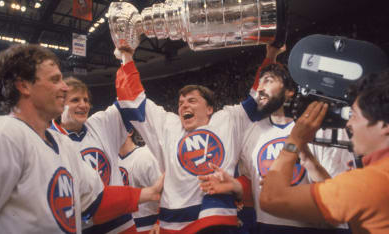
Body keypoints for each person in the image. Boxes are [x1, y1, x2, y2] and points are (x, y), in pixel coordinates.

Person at [0, 44, 162, 234]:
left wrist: (150, 192)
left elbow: (95, 200)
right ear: (24, 86)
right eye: (55, 80)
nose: (64, 87)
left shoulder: (62, 144)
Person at [199, 45, 353, 233]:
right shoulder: (252, 133)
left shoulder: (320, 129)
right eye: (260, 83)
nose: (261, 89)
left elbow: (340, 196)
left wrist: (304, 160)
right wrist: (235, 186)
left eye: (269, 81)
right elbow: (253, 188)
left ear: (290, 91)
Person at [113, 45, 263, 233]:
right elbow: (133, 101)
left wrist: (271, 56)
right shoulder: (168, 125)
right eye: (181, 103)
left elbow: (259, 98)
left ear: (209, 109)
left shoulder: (227, 120)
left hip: (217, 218)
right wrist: (126, 57)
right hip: (174, 224)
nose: (184, 106)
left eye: (192, 101)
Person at [258, 69, 389, 234]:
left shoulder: (371, 183)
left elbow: (271, 199)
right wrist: (307, 159)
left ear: (383, 125)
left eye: (354, 115)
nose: (348, 124)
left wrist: (294, 141)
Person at [50, 76, 144, 234]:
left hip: (121, 223)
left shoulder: (100, 123)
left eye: (86, 100)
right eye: (75, 100)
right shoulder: (47, 139)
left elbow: (129, 99)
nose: (83, 105)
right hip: (82, 227)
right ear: (60, 104)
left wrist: (125, 58)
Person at [118, 129, 162, 234]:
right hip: (123, 228)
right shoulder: (111, 160)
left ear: (129, 132)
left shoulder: (145, 156)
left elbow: (166, 192)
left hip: (148, 227)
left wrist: (159, 222)